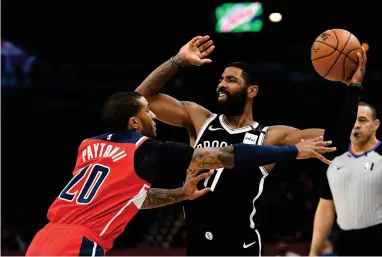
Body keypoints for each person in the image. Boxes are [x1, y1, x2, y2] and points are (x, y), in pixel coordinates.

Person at [135, 35, 367, 256]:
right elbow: (139, 100)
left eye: (231, 80)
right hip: (196, 246)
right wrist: (177, 61)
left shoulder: (271, 136)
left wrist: (353, 89)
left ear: (252, 91)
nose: (221, 85)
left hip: (240, 246)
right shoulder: (199, 119)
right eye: (220, 80)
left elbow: (337, 142)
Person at [25, 92, 334, 256]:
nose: (154, 115)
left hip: (43, 239)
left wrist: (180, 195)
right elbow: (229, 155)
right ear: (134, 122)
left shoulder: (88, 145)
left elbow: (130, 200)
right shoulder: (147, 148)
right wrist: (292, 152)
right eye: (147, 111)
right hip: (77, 244)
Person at [309, 102, 382, 256]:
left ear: (375, 124)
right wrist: (314, 252)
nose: (356, 125)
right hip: (344, 245)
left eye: (362, 120)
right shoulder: (334, 161)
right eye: (352, 121)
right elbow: (325, 207)